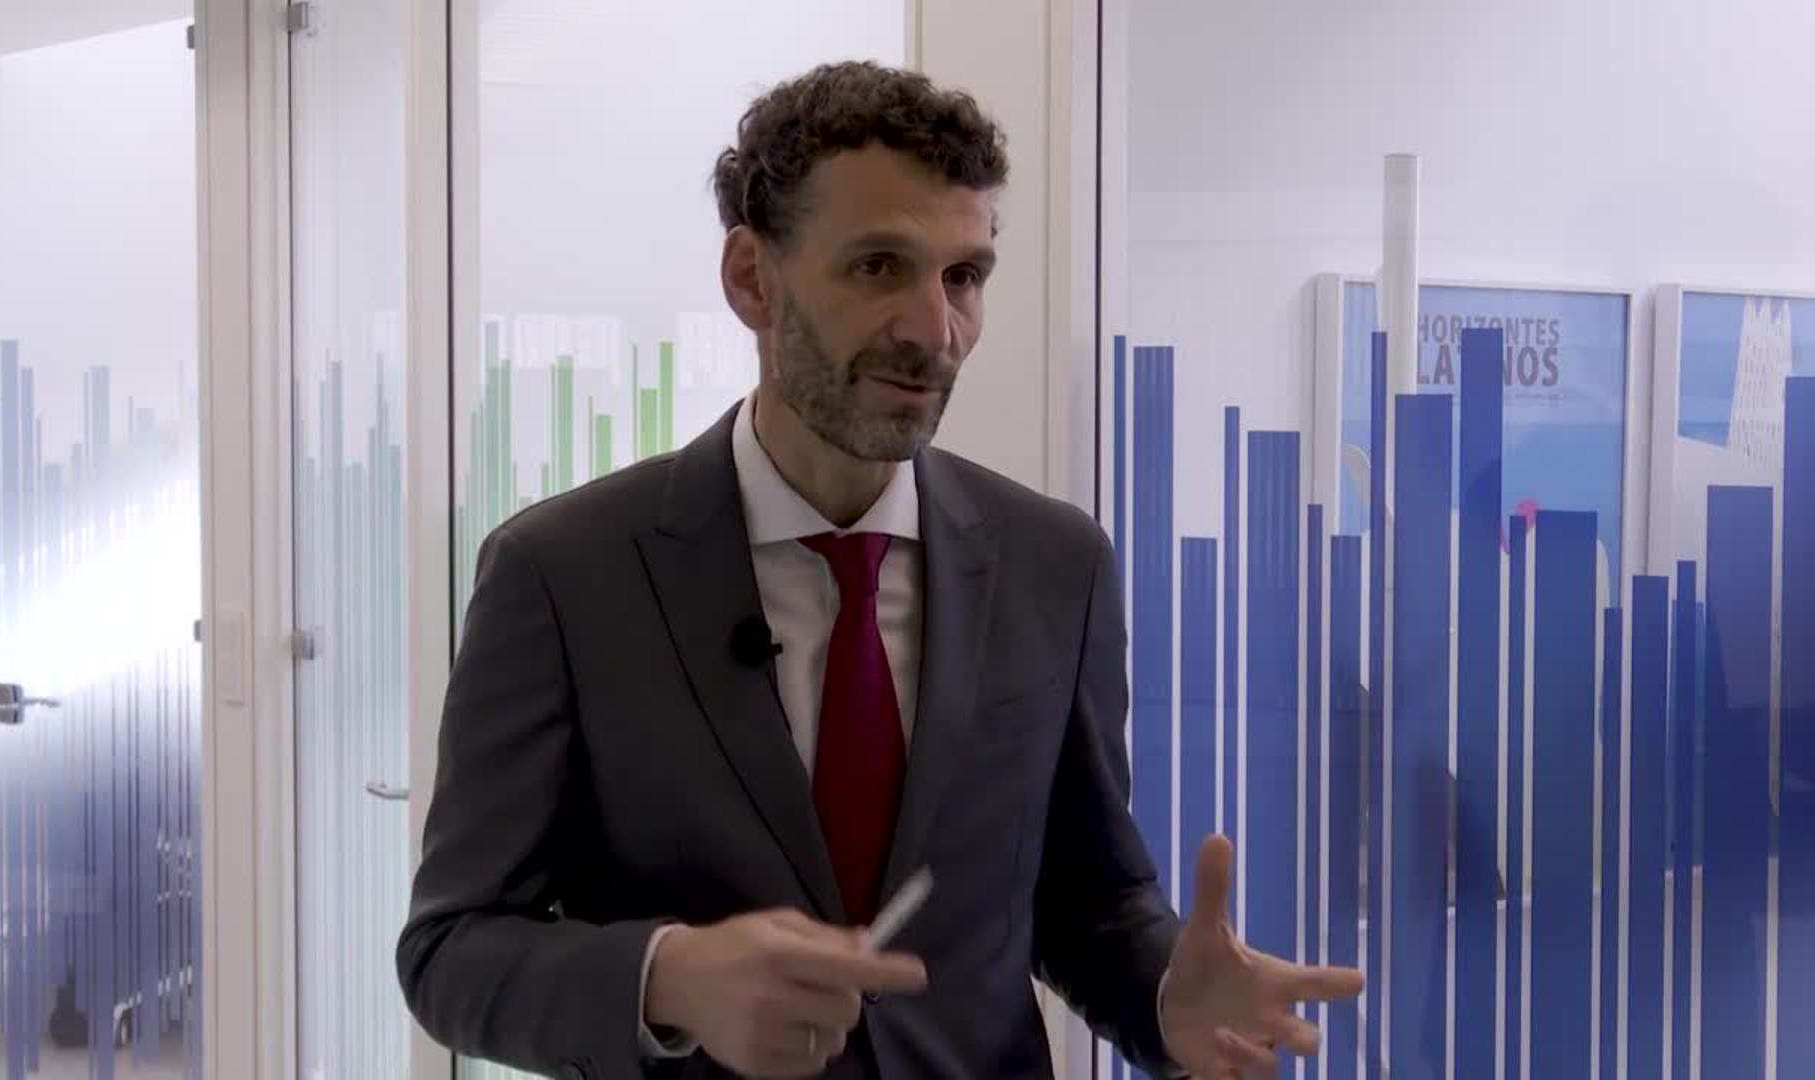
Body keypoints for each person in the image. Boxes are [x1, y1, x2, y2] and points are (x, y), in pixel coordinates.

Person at [396, 60, 1363, 1080]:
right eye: (878, 267)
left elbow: (1088, 906)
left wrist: (1166, 995)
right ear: (751, 278)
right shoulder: (564, 576)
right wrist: (669, 977)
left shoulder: (1056, 566)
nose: (933, 332)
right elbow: (451, 951)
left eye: (964, 277)